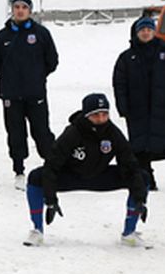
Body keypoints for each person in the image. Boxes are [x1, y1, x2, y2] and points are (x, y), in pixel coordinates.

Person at [23, 93, 150, 248]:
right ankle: (37, 231)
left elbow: (129, 163)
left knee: (142, 178)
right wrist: (50, 200)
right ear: (86, 115)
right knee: (36, 177)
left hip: (100, 176)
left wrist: (139, 198)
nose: (101, 119)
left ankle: (129, 233)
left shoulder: (113, 133)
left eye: (105, 114)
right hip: (71, 176)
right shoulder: (73, 132)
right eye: (96, 115)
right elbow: (52, 165)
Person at [0, 0, 58, 190]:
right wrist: (10, 79)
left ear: (30, 11)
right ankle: (19, 171)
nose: (20, 10)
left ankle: (51, 168)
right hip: (11, 96)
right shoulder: (2, 36)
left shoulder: (41, 34)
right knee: (15, 134)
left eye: (24, 7)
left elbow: (52, 61)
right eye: (17, 6)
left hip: (35, 94)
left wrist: (36, 76)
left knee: (42, 132)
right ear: (12, 10)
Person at [112, 17, 165, 191]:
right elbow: (119, 83)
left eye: (149, 30)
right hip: (136, 108)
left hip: (160, 107)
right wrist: (123, 106)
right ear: (137, 33)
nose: (146, 33)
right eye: (142, 30)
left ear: (154, 32)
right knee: (139, 146)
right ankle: (146, 177)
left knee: (160, 144)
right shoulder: (127, 57)